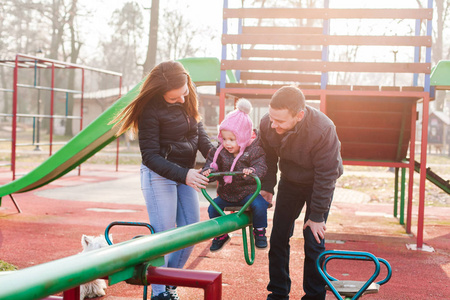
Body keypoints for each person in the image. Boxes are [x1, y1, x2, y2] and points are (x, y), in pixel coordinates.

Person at [112, 61, 213, 300]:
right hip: (158, 174)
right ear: (160, 93)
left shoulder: (187, 91)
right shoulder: (150, 109)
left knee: (192, 232)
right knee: (165, 235)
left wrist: (214, 154)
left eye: (183, 94)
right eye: (173, 98)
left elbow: (199, 130)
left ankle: (169, 283)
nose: (181, 100)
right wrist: (184, 175)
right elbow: (150, 156)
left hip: (184, 172)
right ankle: (160, 293)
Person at [260, 86, 343, 300]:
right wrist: (268, 187)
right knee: (278, 236)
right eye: (271, 117)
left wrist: (317, 216)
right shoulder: (268, 124)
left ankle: (314, 296)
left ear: (299, 116)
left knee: (313, 239)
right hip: (290, 180)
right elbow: (268, 158)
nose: (273, 124)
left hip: (319, 181)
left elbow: (327, 174)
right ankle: (278, 293)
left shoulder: (323, 129)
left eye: (279, 121)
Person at [202, 99, 269, 251]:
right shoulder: (219, 152)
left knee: (260, 205)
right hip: (227, 193)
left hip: (248, 193)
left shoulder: (254, 151)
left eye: (232, 139)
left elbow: (261, 166)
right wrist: (209, 172)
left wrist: (252, 171)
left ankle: (259, 232)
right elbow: (211, 165)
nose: (227, 143)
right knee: (213, 208)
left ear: (244, 137)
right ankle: (221, 234)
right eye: (224, 139)